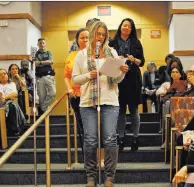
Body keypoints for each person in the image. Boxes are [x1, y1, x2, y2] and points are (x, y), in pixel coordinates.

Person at [72, 21, 128, 187]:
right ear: (92, 34)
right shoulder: (81, 54)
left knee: (110, 138)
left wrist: (122, 72)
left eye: (103, 35)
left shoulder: (112, 52)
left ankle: (109, 177)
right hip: (88, 101)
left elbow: (116, 79)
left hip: (110, 100)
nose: (100, 37)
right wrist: (89, 75)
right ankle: (91, 177)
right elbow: (75, 78)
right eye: (98, 34)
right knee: (90, 140)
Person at [109, 18, 145, 152]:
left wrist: (133, 59)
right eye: (124, 25)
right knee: (121, 110)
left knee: (134, 109)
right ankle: (121, 138)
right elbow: (107, 61)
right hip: (118, 79)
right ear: (120, 27)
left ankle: (136, 138)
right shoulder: (112, 42)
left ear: (132, 29)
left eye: (129, 26)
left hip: (133, 78)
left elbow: (142, 62)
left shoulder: (136, 42)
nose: (126, 28)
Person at [64, 27, 89, 160]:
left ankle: (98, 156)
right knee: (82, 127)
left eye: (87, 37)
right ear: (77, 40)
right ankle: (87, 158)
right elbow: (66, 76)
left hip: (91, 97)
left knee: (92, 128)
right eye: (82, 37)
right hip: (76, 96)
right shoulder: (71, 55)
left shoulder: (97, 54)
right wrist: (69, 89)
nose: (85, 40)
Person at [0, 69, 26, 135]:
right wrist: (2, 98)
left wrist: (4, 97)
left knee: (11, 105)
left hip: (9, 102)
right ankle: (0, 128)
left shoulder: (11, 84)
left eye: (4, 73)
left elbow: (14, 94)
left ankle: (13, 128)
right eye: (0, 74)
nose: (3, 75)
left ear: (7, 75)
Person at [33, 38, 56, 114]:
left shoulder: (48, 52)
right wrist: (44, 62)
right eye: (40, 43)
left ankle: (42, 107)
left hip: (49, 76)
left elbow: (50, 62)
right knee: (41, 97)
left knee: (53, 93)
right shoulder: (35, 54)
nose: (42, 44)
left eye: (43, 43)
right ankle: (44, 113)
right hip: (39, 77)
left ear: (45, 44)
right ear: (38, 44)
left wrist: (39, 62)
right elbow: (35, 64)